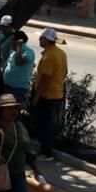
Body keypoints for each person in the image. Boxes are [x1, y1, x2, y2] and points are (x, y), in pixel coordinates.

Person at [33, 28, 67, 159]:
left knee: (44, 125)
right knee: (48, 124)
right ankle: (46, 149)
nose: (39, 40)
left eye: (41, 38)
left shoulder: (49, 56)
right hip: (57, 93)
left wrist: (37, 96)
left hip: (47, 95)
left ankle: (46, 152)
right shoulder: (61, 53)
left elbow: (45, 79)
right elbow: (65, 72)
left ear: (47, 40)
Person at [3, 30, 35, 103]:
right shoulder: (13, 52)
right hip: (8, 86)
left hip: (18, 89)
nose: (10, 43)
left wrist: (19, 48)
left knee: (14, 110)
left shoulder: (28, 52)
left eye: (12, 40)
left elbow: (18, 62)